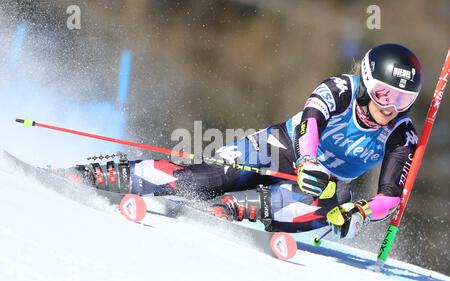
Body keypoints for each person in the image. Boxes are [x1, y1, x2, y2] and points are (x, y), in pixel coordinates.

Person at [70, 43, 422, 239]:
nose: (390, 107)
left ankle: (233, 209)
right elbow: (310, 122)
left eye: (403, 100)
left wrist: (361, 214)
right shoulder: (340, 89)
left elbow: (390, 196)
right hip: (281, 148)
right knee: (206, 178)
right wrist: (308, 161)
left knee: (337, 201)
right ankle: (103, 175)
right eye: (383, 93)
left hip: (322, 185)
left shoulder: (401, 134)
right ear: (365, 81)